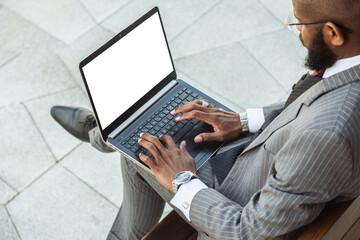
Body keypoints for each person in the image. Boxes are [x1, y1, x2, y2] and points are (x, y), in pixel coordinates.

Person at [51, 0, 360, 239]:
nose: (297, 30)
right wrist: (242, 120)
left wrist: (182, 180)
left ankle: (102, 134)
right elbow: (310, 106)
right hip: (267, 162)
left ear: (333, 33)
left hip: (236, 203)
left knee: (143, 151)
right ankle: (107, 134)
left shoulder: (326, 134)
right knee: (151, 141)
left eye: (300, 22)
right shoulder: (348, 67)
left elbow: (247, 232)